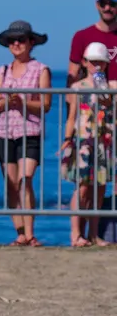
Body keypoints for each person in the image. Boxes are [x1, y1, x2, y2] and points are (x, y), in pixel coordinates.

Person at [0, 20, 52, 247]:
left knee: (26, 180)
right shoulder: (1, 71)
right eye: (11, 40)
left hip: (30, 130)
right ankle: (20, 234)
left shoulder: (41, 70)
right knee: (11, 183)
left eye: (21, 39)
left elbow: (45, 104)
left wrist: (23, 101)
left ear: (31, 42)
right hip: (3, 131)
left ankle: (30, 233)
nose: (16, 44)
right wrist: (6, 101)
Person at [61, 42, 113, 247]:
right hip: (83, 141)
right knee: (82, 188)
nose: (97, 66)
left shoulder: (108, 87)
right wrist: (67, 139)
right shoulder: (77, 87)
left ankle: (93, 234)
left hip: (103, 141)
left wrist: (103, 87)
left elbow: (108, 104)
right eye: (93, 62)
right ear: (85, 63)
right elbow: (72, 116)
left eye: (101, 63)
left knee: (99, 188)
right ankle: (76, 233)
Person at [68, 0, 117, 84]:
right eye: (103, 3)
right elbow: (73, 75)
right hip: (91, 98)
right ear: (96, 5)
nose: (107, 8)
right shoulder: (81, 37)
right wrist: (71, 98)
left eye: (112, 4)